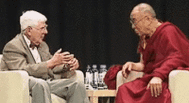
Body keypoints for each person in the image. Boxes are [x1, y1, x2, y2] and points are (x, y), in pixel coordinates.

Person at [0, 10, 89, 103]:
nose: (45, 32)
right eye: (42, 28)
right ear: (29, 30)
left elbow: (52, 67)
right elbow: (23, 70)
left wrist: (67, 65)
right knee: (41, 84)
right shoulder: (13, 46)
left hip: (46, 83)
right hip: (24, 85)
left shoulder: (42, 45)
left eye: (45, 28)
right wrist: (50, 63)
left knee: (77, 85)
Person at [116, 3, 189, 103]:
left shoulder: (168, 31)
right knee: (123, 90)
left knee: (154, 92)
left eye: (135, 21)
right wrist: (132, 65)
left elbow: (177, 57)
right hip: (152, 77)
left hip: (165, 78)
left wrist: (159, 75)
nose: (133, 26)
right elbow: (144, 65)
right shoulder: (145, 38)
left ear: (148, 19)